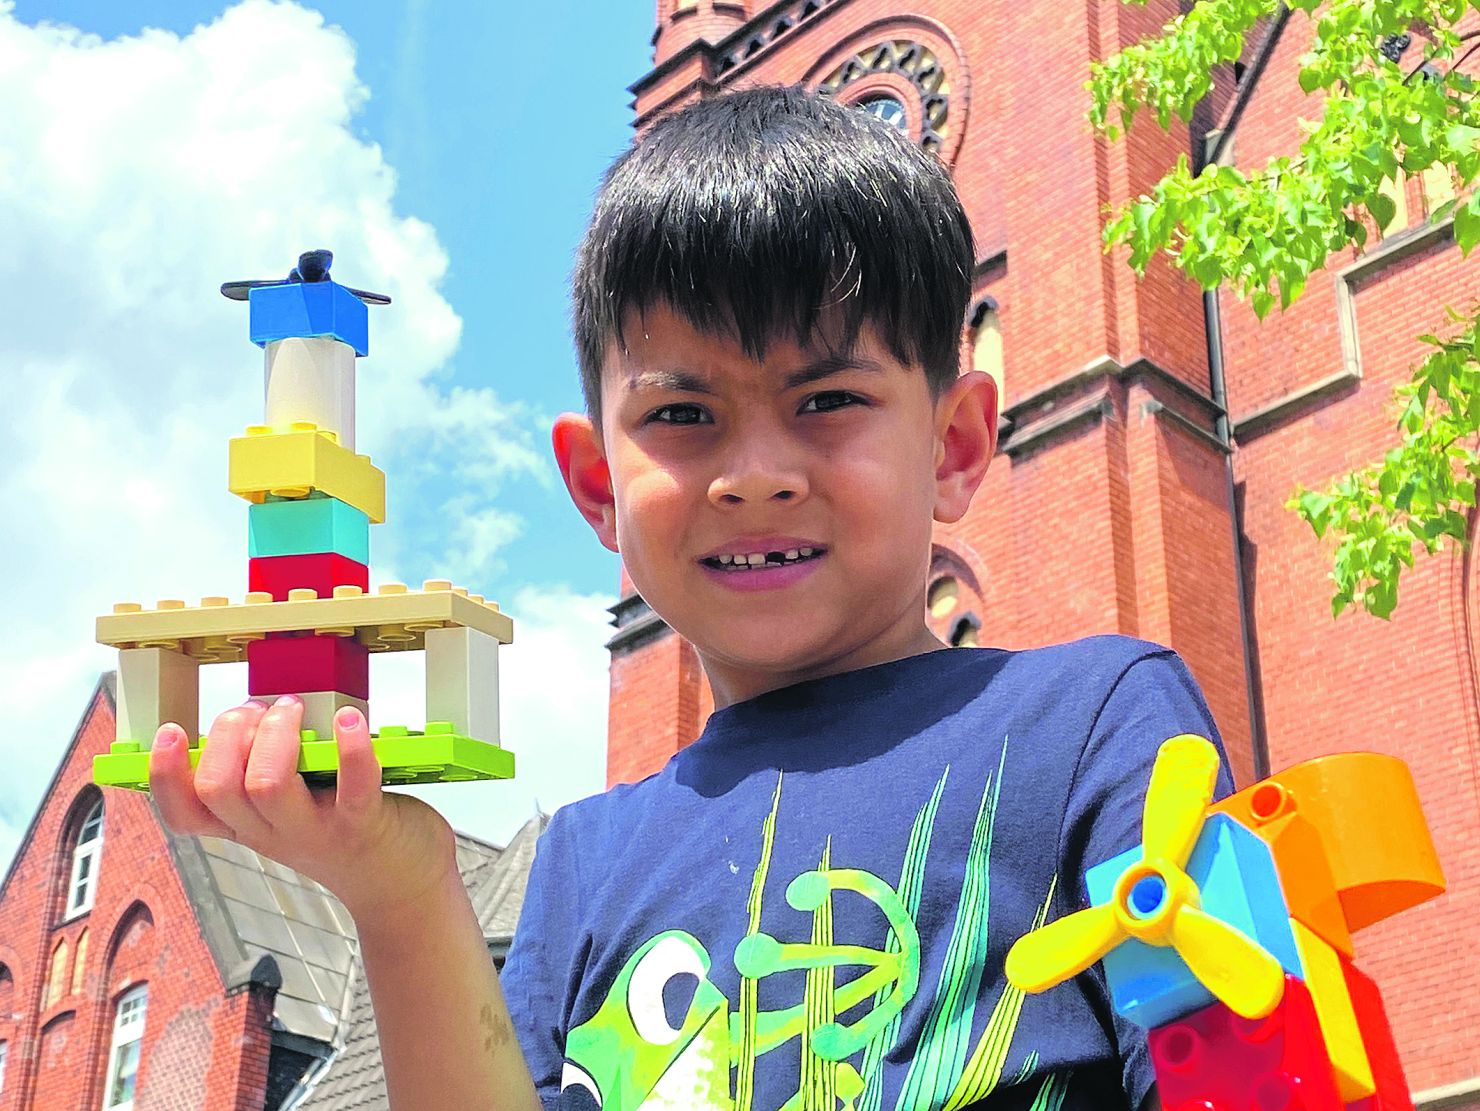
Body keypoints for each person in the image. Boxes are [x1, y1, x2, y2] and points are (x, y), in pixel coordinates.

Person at [151, 85, 1231, 1110]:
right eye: (681, 415)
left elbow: (1258, 1057)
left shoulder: (1098, 720)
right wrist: (401, 893)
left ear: (951, 444)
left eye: (828, 398)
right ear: (596, 490)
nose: (753, 471)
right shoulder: (582, 858)